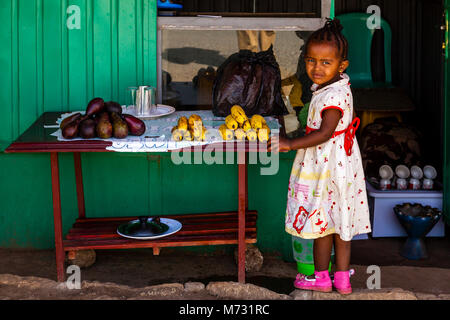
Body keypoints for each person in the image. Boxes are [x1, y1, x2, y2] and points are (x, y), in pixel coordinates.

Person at [268, 18, 371, 295]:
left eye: (326, 63)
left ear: (342, 66)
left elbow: (325, 133)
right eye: (311, 60)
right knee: (340, 224)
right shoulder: (334, 88)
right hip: (340, 165)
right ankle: (343, 280)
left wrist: (290, 143)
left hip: (328, 167)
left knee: (323, 225)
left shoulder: (332, 97)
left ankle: (321, 279)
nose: (316, 68)